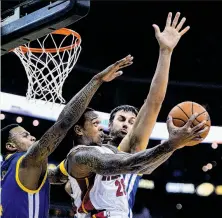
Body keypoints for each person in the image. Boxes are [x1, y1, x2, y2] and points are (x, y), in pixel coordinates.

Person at [54, 12, 208, 218]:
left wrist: (166, 52)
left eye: (132, 121)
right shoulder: (85, 153)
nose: (127, 124)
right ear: (108, 123)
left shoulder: (129, 148)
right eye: (122, 119)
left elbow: (153, 103)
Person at [0, 55, 133, 218]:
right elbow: (64, 123)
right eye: (25, 135)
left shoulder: (5, 172)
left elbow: (55, 176)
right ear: (11, 146)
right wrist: (96, 81)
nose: (33, 138)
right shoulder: (27, 162)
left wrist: (74, 168)